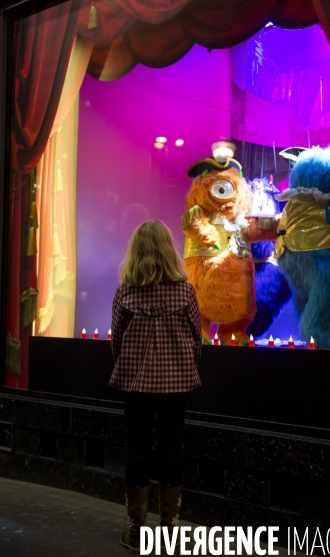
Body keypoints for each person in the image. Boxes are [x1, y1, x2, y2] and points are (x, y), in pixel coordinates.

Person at [109, 220, 202, 553]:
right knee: (171, 446)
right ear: (168, 250)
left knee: (136, 446)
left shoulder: (125, 291)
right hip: (176, 382)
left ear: (136, 251)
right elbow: (197, 340)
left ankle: (136, 530)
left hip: (134, 382)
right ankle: (169, 530)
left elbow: (116, 341)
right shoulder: (186, 291)